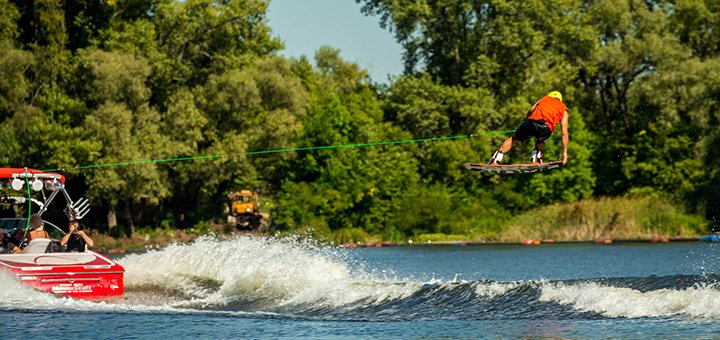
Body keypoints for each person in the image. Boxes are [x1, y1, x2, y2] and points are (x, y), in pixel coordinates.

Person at [488, 91, 569, 165]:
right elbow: (564, 133)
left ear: (550, 96)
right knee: (541, 140)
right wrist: (564, 152)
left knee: (513, 138)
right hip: (546, 129)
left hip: (532, 122)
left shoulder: (544, 99)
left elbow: (532, 108)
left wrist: (526, 117)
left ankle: (495, 160)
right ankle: (535, 160)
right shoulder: (563, 110)